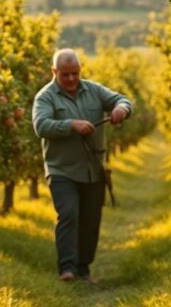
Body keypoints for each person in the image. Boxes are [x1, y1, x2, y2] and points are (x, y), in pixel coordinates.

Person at [32, 48, 132, 284]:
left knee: (90, 219)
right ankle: (67, 268)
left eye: (75, 73)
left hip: (92, 169)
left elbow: (122, 100)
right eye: (65, 74)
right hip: (61, 169)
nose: (71, 78)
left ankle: (83, 268)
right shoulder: (45, 97)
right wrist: (71, 125)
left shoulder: (93, 90)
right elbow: (41, 125)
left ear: (80, 70)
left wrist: (121, 109)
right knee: (68, 213)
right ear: (54, 71)